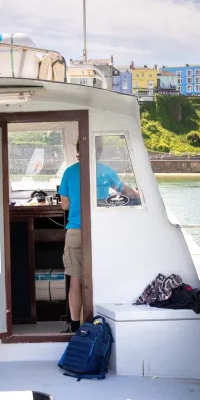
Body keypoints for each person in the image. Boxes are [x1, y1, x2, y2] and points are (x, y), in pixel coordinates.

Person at [58, 138, 139, 333]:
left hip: (76, 230)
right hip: (101, 230)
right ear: (99, 152)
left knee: (76, 280)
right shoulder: (106, 171)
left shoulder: (69, 172)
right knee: (98, 277)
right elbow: (126, 192)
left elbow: (64, 205)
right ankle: (97, 324)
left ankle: (76, 326)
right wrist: (140, 195)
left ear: (78, 151)